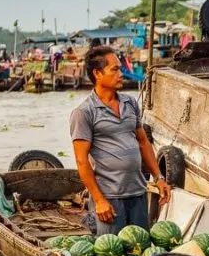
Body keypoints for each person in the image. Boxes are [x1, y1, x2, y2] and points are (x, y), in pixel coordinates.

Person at [69, 46, 171, 235]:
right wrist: (99, 200)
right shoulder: (84, 112)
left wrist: (159, 178)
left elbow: (143, 143)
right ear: (97, 73)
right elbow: (81, 161)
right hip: (110, 198)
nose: (121, 73)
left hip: (138, 192)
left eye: (120, 68)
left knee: (139, 248)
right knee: (113, 254)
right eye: (115, 69)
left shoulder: (130, 103)